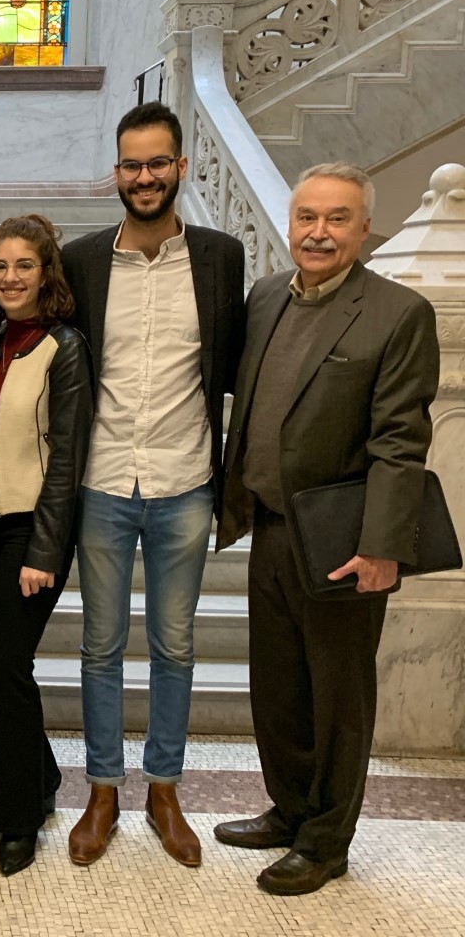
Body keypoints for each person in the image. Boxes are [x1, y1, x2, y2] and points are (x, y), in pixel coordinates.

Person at [214, 162, 439, 896]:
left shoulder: (398, 313)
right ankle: (289, 810)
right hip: (271, 527)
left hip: (343, 538)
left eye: (337, 218)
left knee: (337, 698)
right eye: (307, 217)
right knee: (278, 689)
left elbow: (400, 441)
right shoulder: (266, 296)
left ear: (364, 227)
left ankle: (325, 842)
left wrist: (382, 547)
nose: (319, 232)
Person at [62, 101, 246, 868]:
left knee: (175, 644)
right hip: (104, 481)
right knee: (99, 646)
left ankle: (163, 789)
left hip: (185, 480)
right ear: (117, 172)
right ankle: (103, 790)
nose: (145, 176)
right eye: (132, 164)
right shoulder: (80, 260)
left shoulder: (220, 256)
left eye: (157, 163)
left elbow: (233, 365)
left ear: (180, 167)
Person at [0, 214, 93, 876]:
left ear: (46, 274)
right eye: (0, 266)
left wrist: (44, 549)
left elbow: (67, 458)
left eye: (24, 266)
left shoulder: (63, 347)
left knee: (8, 665)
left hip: (28, 526)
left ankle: (18, 817)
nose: (10, 277)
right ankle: (39, 774)